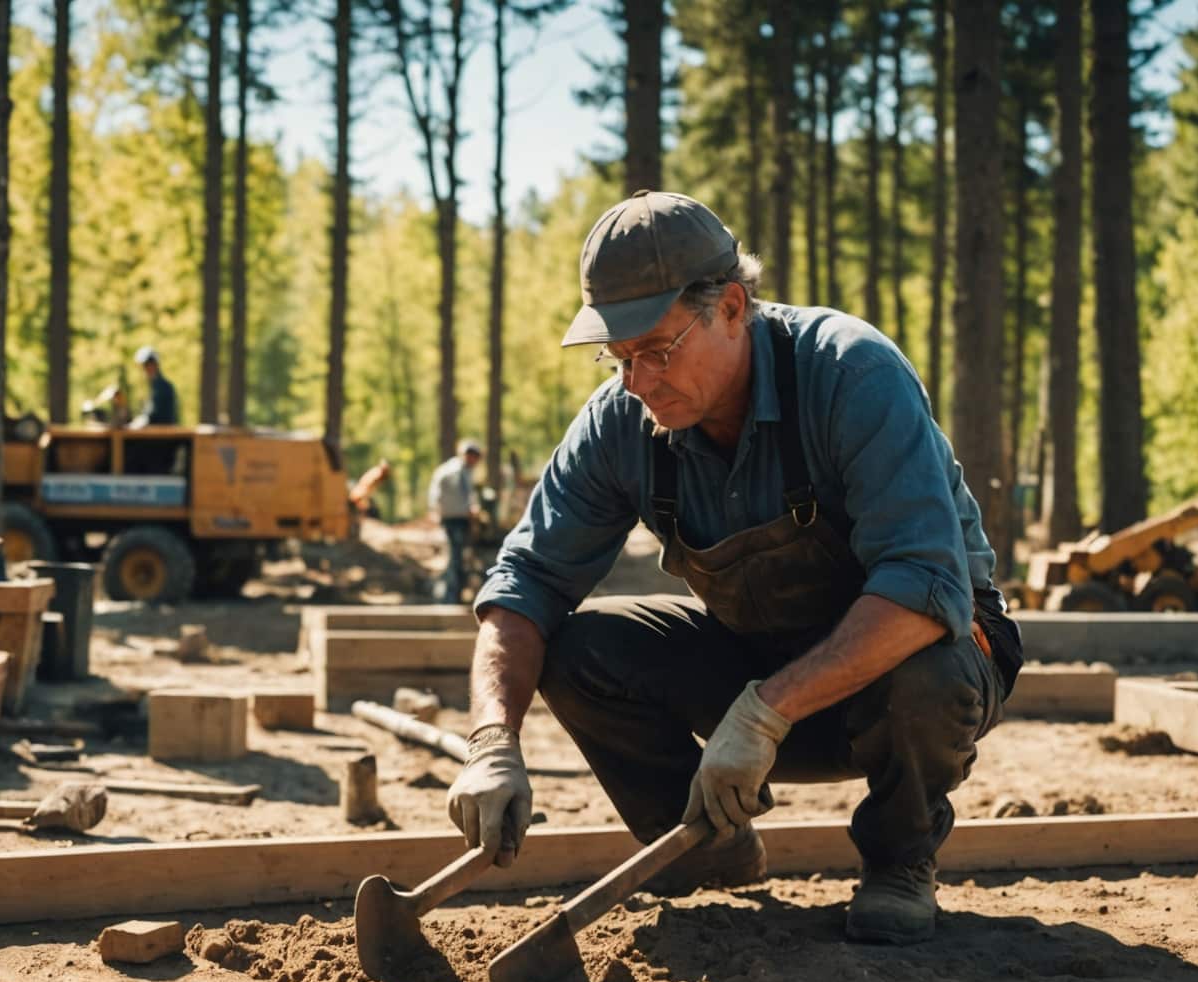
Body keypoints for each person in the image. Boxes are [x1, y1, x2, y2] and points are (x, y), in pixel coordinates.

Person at [449, 191, 1023, 944]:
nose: (637, 383)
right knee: (581, 651)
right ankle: (708, 845)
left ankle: (900, 861)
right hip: (760, 660)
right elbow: (525, 581)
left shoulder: (851, 374)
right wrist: (492, 742)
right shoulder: (622, 421)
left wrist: (764, 713)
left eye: (656, 350)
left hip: (913, 671)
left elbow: (922, 585)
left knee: (932, 667)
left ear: (731, 307)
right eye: (617, 358)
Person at [428, 440, 484, 605]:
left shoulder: (450, 469)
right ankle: (450, 597)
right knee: (456, 558)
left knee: (457, 557)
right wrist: (471, 510)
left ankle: (454, 595)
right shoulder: (456, 472)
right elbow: (463, 498)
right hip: (456, 519)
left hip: (452, 518)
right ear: (469, 456)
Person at [132, 346, 179, 428]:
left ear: (155, 365)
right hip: (155, 434)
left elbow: (153, 414)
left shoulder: (163, 386)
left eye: (148, 364)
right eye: (144, 365)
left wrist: (139, 422)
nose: (146, 368)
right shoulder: (153, 386)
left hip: (162, 436)